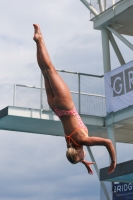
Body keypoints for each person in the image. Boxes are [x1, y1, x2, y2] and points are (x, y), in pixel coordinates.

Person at [33, 24, 116, 175]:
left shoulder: (82, 141)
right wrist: (84, 163)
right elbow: (73, 155)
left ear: (78, 153)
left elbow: (108, 143)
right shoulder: (70, 143)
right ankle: (39, 40)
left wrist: (113, 162)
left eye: (81, 158)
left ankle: (39, 39)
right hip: (56, 108)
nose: (83, 157)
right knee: (45, 71)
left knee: (50, 69)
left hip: (65, 106)